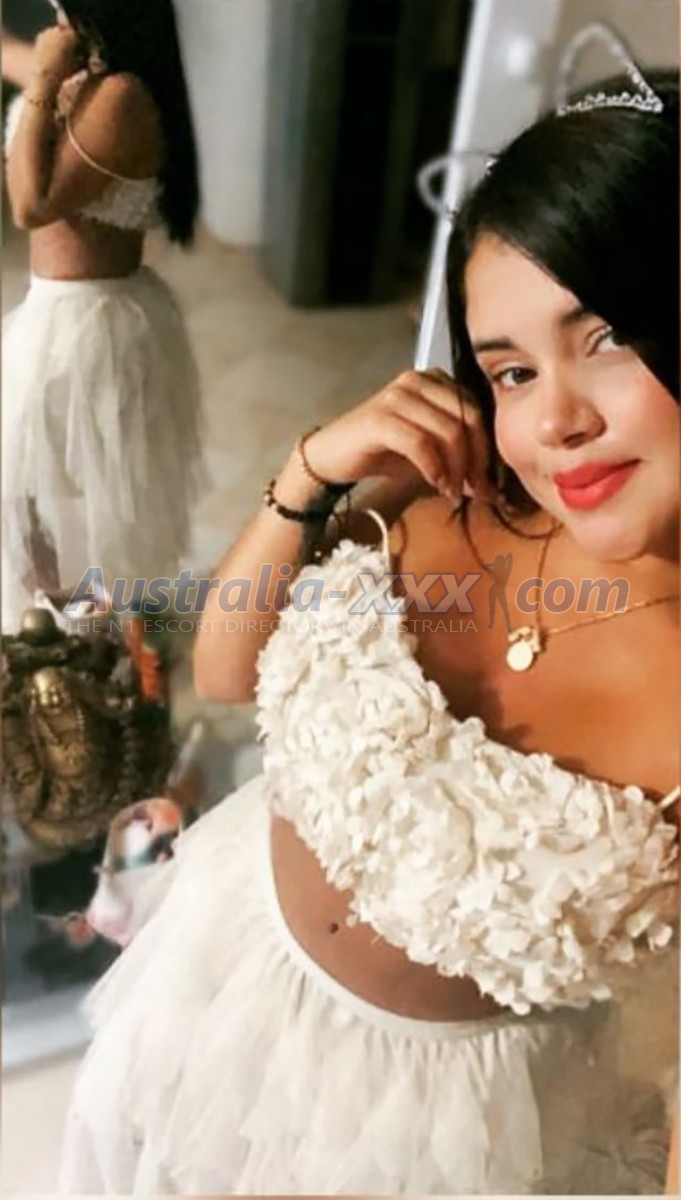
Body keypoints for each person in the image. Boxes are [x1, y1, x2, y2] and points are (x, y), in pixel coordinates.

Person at [58, 64, 680, 1195]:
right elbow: (225, 668)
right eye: (511, 369)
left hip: (431, 1143)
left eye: (606, 337)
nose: (555, 419)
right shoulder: (448, 484)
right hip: (217, 976)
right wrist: (312, 474)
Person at [2, 0, 204, 633]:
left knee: (71, 499)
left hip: (89, 327)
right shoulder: (88, 70)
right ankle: (62, 623)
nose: (54, 13)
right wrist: (33, 63)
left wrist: (43, 76)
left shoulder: (122, 98)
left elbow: (30, 205)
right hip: (55, 313)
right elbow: (13, 56)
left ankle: (88, 638)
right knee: (28, 489)